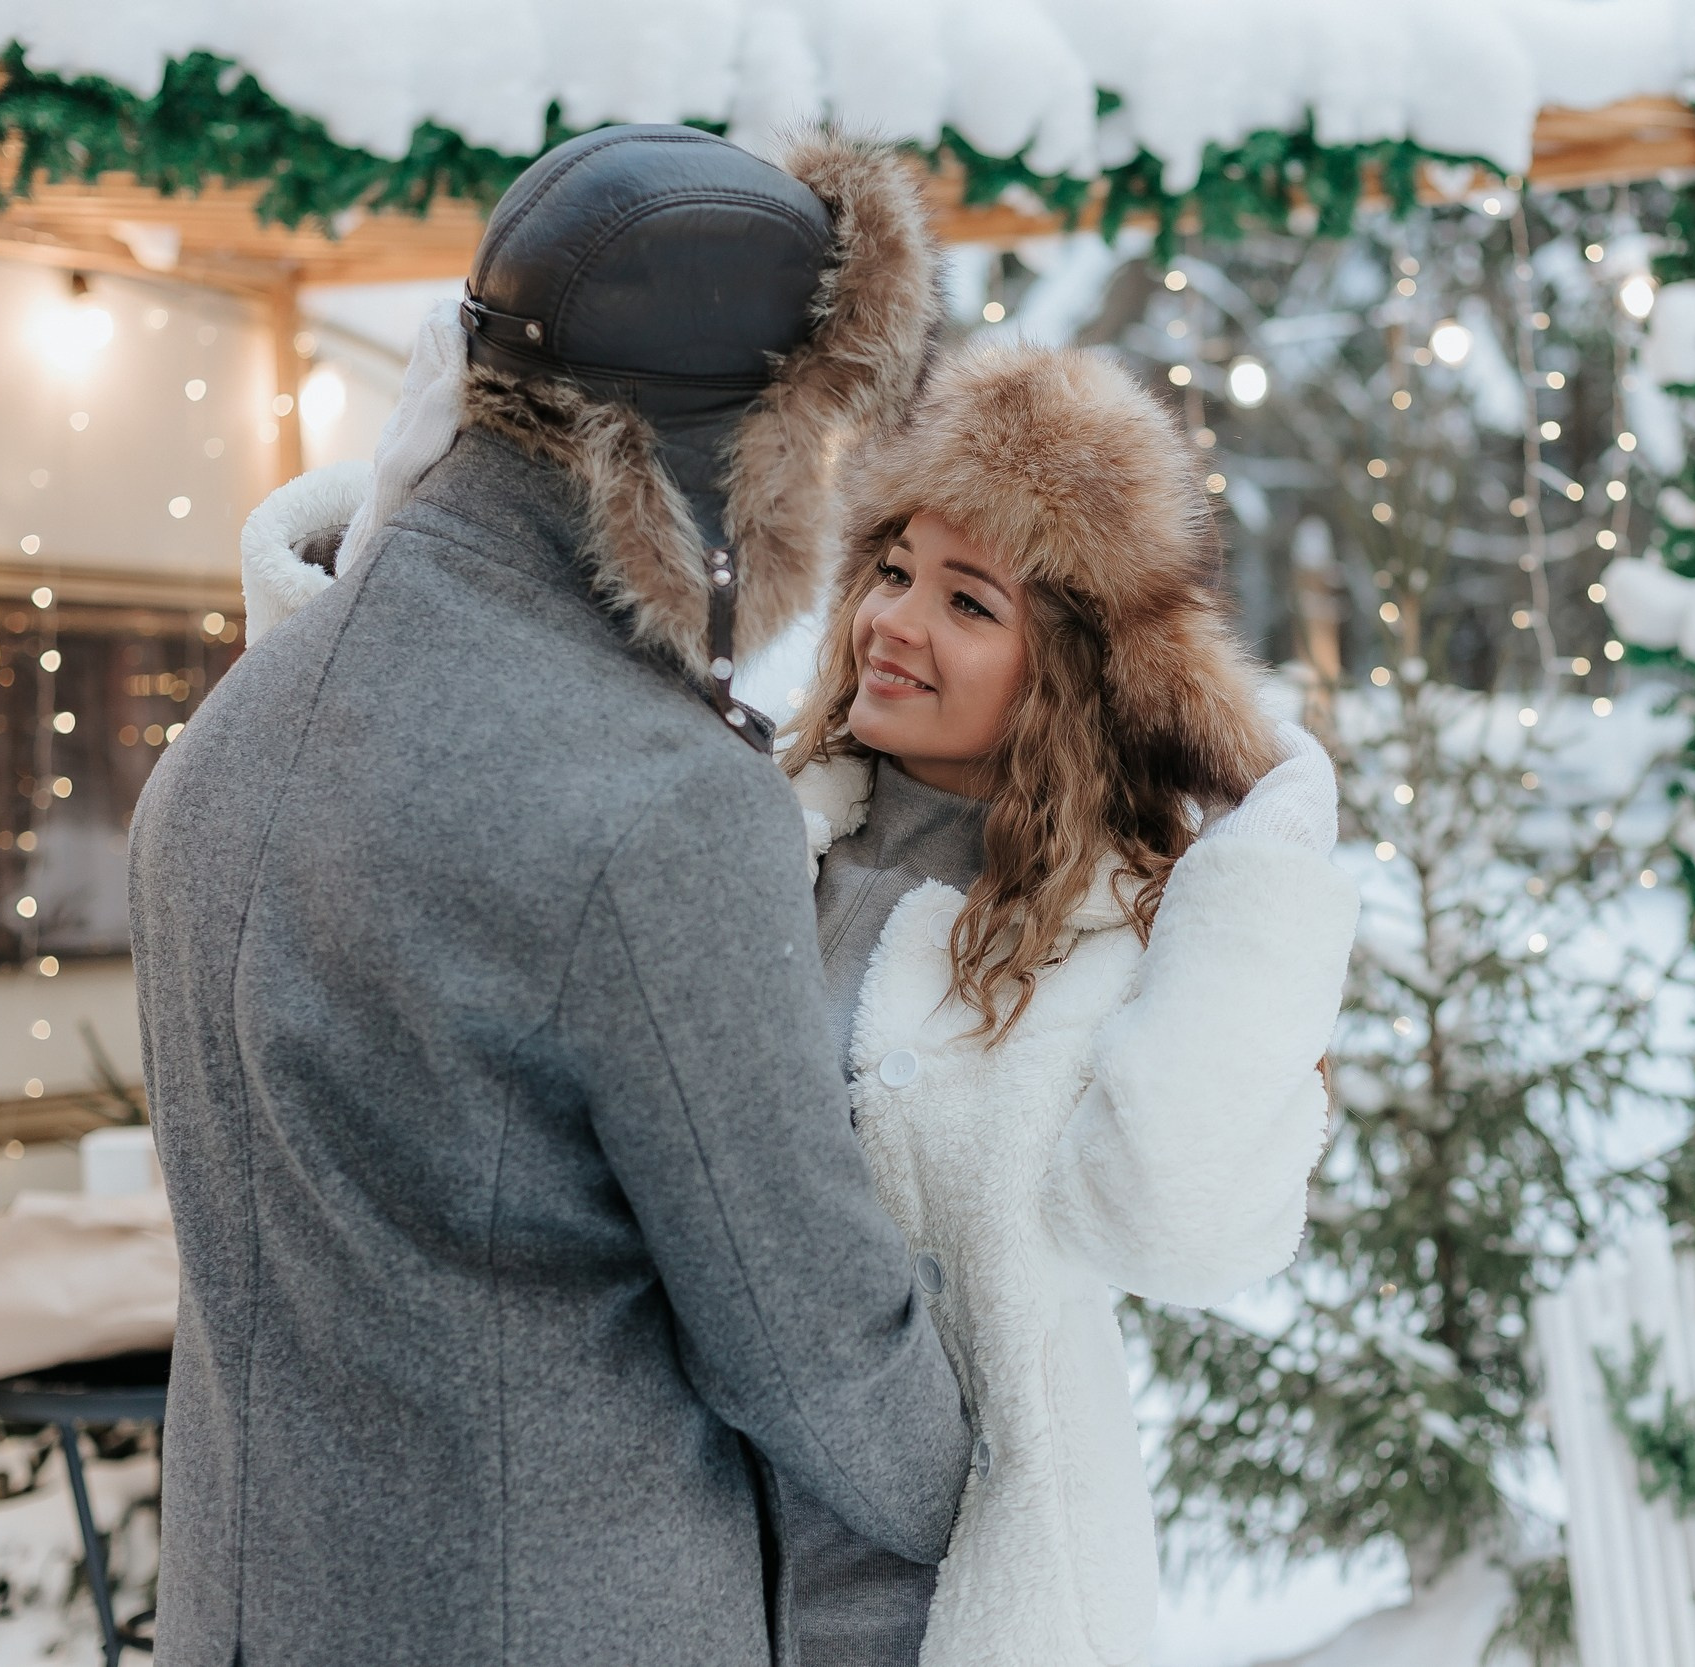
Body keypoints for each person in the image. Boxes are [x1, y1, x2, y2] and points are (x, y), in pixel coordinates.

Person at [128, 127, 970, 1667]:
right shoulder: (657, 801)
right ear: (736, 453)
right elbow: (808, 1343)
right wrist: (998, 1475)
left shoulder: (233, 727)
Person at [778, 341, 1360, 1667]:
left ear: (1066, 671)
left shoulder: (1110, 938)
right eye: (891, 570)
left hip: (969, 1597)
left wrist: (1273, 834)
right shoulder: (765, 844)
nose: (894, 624)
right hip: (710, 1575)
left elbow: (1183, 1231)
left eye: (969, 603)